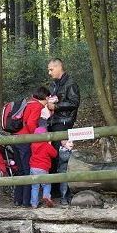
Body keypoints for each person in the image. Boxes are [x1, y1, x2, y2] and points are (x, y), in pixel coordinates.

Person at [47, 58, 80, 198]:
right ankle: (54, 190)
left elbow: (74, 102)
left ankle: (63, 193)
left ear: (59, 67)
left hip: (64, 123)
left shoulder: (70, 83)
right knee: (53, 156)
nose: (49, 72)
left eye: (51, 69)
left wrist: (57, 106)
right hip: (54, 122)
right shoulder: (55, 84)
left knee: (62, 156)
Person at [13, 86, 50, 207]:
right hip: (25, 140)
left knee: (20, 170)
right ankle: (26, 201)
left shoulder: (28, 103)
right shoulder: (37, 106)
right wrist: (37, 137)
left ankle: (18, 200)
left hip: (15, 138)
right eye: (47, 98)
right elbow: (30, 123)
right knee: (27, 170)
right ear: (44, 97)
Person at [29, 127, 58, 208]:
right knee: (46, 184)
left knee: (35, 186)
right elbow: (54, 154)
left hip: (33, 167)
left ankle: (34, 204)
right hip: (43, 167)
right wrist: (49, 144)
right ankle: (46, 196)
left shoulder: (33, 144)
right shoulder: (46, 145)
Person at [57, 140, 74, 205]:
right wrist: (71, 152)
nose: (71, 143)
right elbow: (65, 158)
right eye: (69, 142)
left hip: (69, 170)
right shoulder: (62, 150)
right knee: (64, 186)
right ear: (64, 144)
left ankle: (69, 197)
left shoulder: (70, 151)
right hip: (63, 170)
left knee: (69, 185)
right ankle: (63, 198)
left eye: (72, 142)